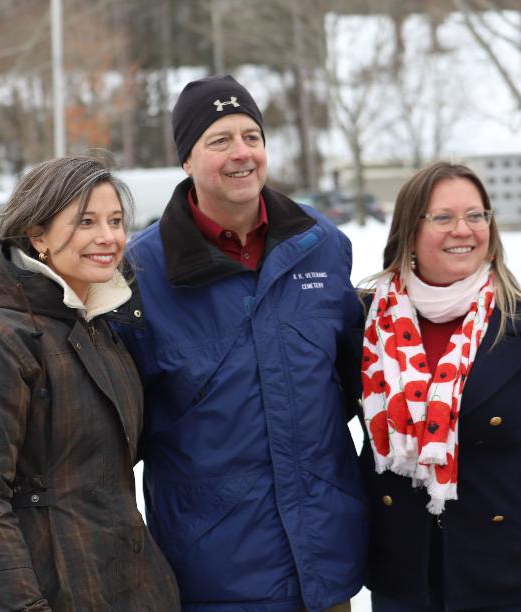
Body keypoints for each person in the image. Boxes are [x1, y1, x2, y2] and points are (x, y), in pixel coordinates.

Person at [112, 75, 368, 611]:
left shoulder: (321, 247)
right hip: (213, 574)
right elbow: (123, 428)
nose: (241, 154)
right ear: (186, 160)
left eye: (252, 136)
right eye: (219, 140)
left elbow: (350, 382)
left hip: (324, 568)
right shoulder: (140, 273)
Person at [352, 161, 521, 612]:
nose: (463, 230)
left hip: (513, 574)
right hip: (402, 576)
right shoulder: (367, 322)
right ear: (409, 231)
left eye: (476, 215)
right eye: (443, 217)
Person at [0, 156, 180, 612]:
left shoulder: (100, 329)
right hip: (44, 595)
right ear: (37, 235)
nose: (108, 237)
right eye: (86, 222)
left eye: (116, 221)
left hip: (125, 590)